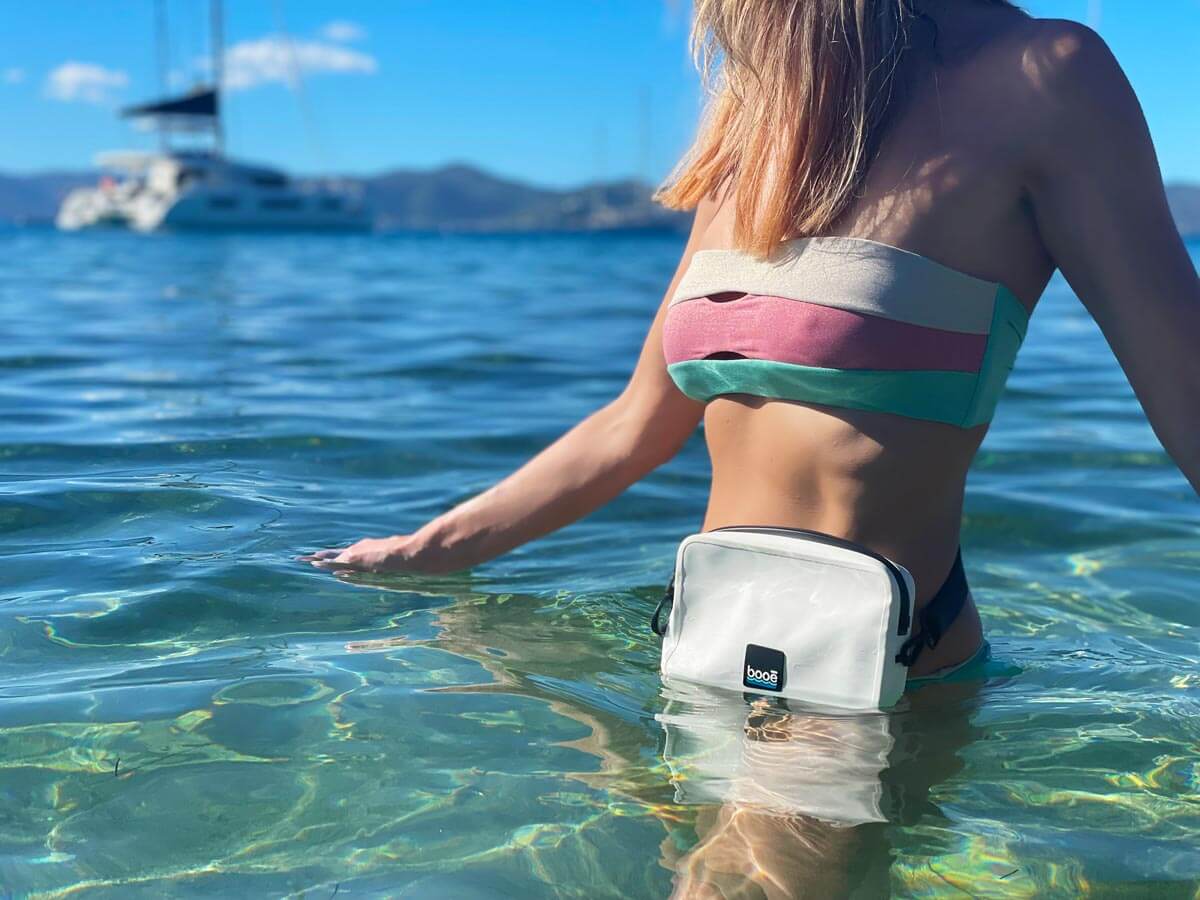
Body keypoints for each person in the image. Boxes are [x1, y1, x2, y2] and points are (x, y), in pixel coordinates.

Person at [306, 0, 1200, 684]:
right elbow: (636, 426)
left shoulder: (1044, 77)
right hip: (708, 649)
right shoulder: (759, 123)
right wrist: (422, 553)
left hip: (874, 670)